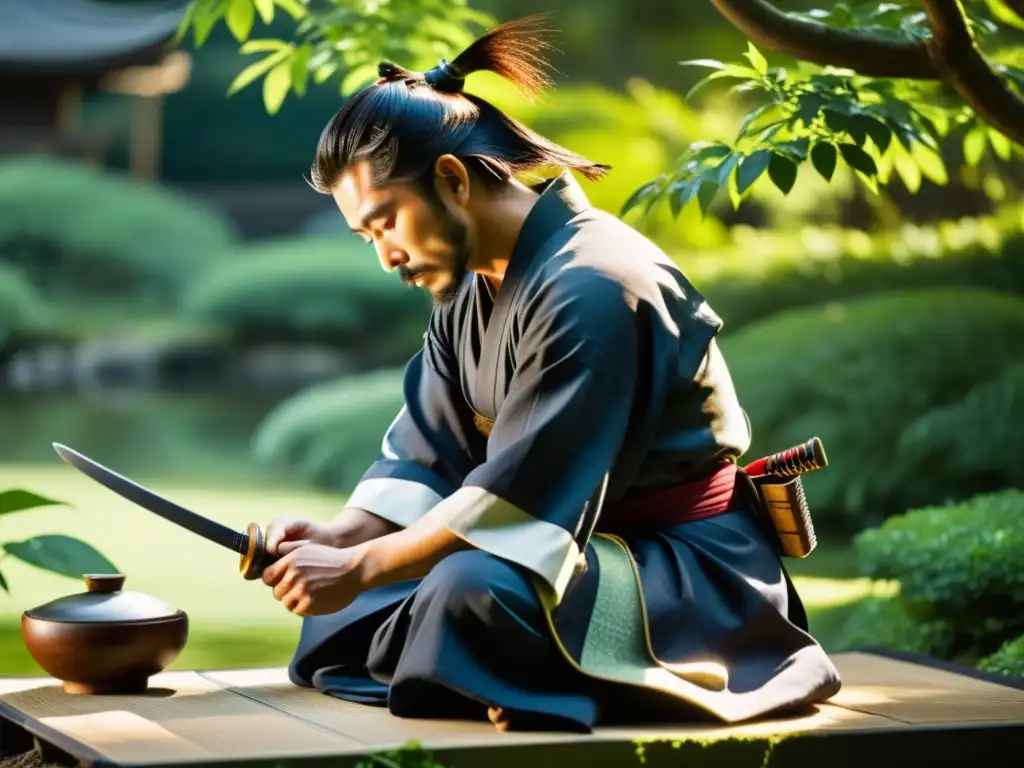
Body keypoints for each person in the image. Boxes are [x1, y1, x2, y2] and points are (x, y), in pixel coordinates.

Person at [259, 14, 842, 733]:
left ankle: (508, 670)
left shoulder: (595, 285)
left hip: (680, 571)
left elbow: (522, 501)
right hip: (563, 546)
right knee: (359, 607)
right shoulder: (470, 290)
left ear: (450, 178)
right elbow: (428, 457)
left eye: (386, 223)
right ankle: (484, 669)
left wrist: (364, 567)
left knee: (466, 590)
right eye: (367, 235)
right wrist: (340, 538)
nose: (385, 255)